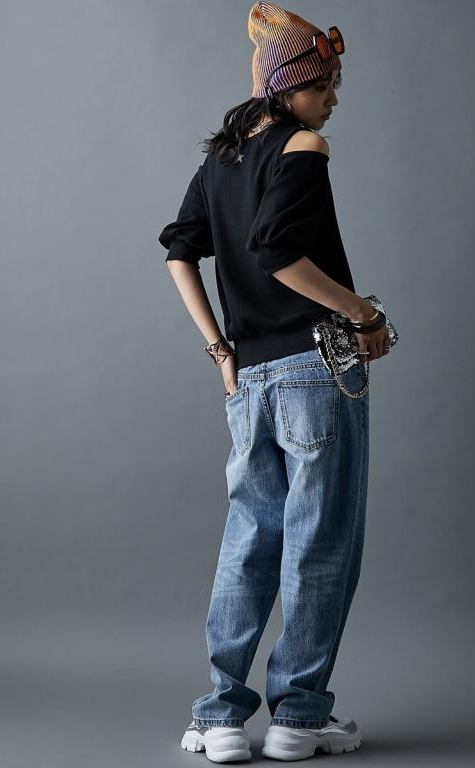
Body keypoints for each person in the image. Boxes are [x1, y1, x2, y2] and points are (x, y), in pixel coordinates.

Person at [158, 2, 391, 762]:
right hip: (316, 369)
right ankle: (298, 715)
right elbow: (276, 252)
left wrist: (220, 349)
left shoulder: (218, 162)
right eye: (325, 85)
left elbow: (179, 252)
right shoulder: (303, 144)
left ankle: (220, 718)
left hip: (250, 379)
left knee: (249, 541)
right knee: (320, 543)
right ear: (289, 87)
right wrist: (362, 314)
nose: (333, 100)